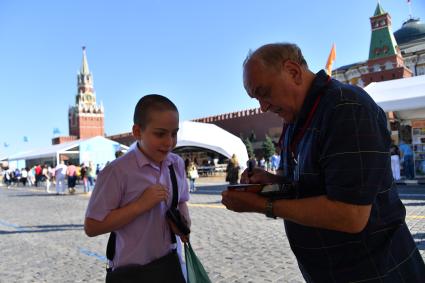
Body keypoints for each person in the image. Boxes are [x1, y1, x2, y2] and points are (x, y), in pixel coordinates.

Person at [221, 43, 425, 282]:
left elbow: (350, 214)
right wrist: (272, 183)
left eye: (264, 92)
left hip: (376, 270)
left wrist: (262, 205)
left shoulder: (346, 107)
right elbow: (306, 186)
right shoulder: (294, 119)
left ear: (293, 72)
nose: (263, 107)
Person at [84, 94, 190, 283]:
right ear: (137, 132)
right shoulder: (117, 172)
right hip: (131, 272)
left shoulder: (176, 164)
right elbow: (92, 227)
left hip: (169, 265)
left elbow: (181, 200)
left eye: (174, 133)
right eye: (160, 134)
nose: (169, 142)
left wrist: (183, 222)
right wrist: (139, 205)